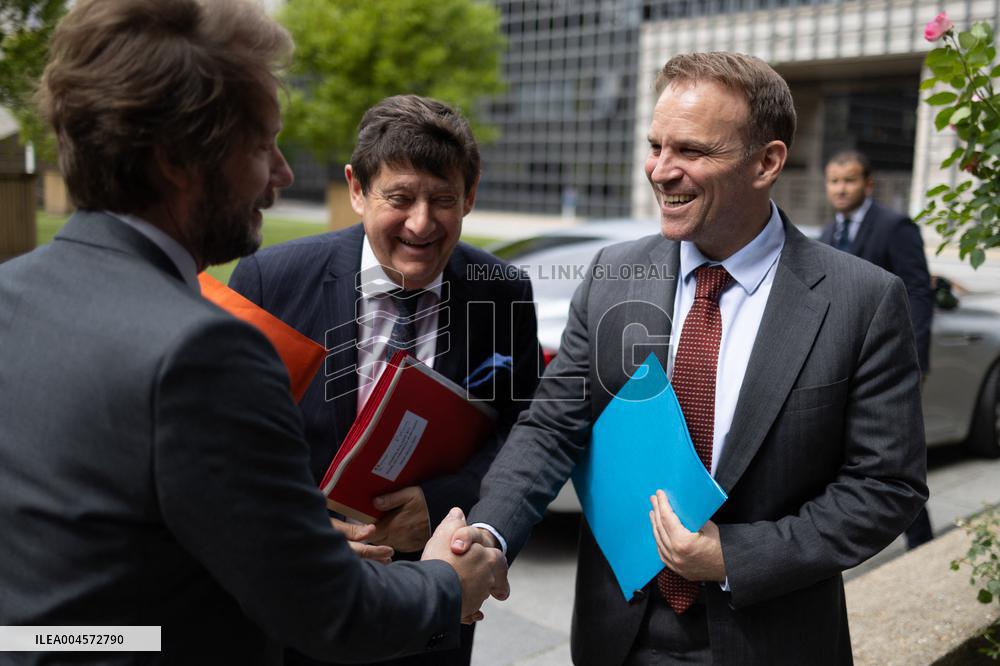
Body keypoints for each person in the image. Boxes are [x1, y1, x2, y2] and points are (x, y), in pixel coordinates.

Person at [0, 1, 507, 663]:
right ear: (180, 161)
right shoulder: (202, 352)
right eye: (262, 143)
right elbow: (333, 612)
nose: (282, 173)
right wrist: (446, 580)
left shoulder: (11, 294)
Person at [451, 52, 929, 664]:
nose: (660, 170)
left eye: (692, 152)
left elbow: (885, 485)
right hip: (617, 638)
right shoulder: (612, 274)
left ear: (767, 162)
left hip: (772, 641)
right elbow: (550, 427)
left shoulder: (861, 299)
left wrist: (735, 557)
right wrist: (490, 535)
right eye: (655, 146)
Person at [229, 93, 542, 666]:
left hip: (428, 609)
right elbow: (224, 441)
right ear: (356, 189)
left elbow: (519, 430)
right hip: (295, 602)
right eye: (399, 198)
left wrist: (443, 502)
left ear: (469, 197)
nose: (421, 224)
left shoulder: (503, 291)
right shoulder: (268, 281)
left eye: (443, 200)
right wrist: (302, 523)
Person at [822, 149, 936, 550]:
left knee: (890, 456)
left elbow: (919, 292)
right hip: (840, 362)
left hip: (888, 360)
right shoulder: (827, 234)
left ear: (868, 184)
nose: (840, 189)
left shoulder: (894, 226)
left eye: (849, 180)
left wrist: (917, 357)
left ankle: (921, 544)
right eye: (834, 181)